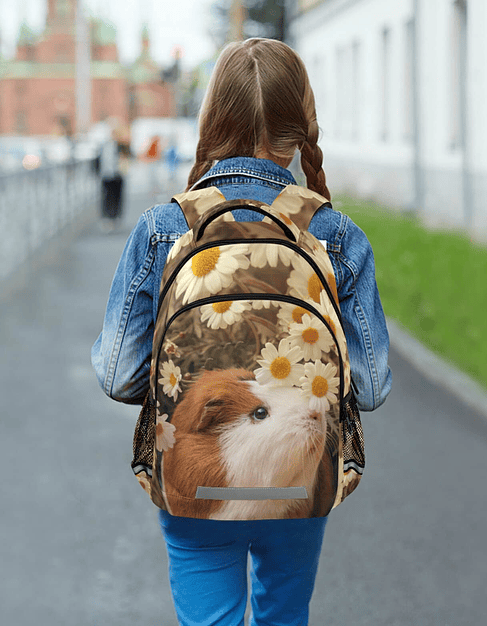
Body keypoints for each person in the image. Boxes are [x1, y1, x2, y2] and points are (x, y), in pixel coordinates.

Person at [91, 38, 392, 626]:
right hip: (297, 484)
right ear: (300, 125)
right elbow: (373, 387)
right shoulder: (335, 235)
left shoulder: (163, 228)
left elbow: (116, 375)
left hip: (193, 485)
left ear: (213, 116)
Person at [98, 124, 130, 232]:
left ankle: (115, 217)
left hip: (118, 175)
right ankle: (107, 218)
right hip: (107, 175)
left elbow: (128, 157)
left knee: (117, 197)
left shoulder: (121, 145)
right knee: (107, 197)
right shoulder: (105, 145)